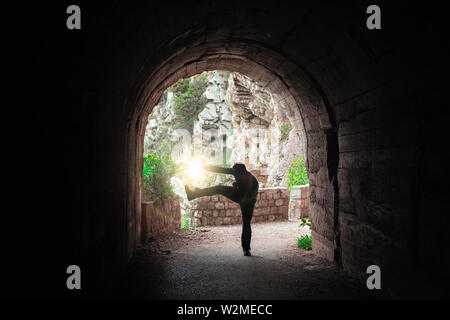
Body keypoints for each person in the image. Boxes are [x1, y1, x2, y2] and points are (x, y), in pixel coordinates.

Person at [185, 163, 259, 256]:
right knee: (219, 188)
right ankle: (194, 194)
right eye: (233, 171)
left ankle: (246, 249)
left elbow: (251, 195)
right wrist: (204, 166)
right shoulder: (237, 171)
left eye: (234, 172)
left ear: (242, 172)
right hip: (241, 194)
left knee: (246, 223)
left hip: (248, 201)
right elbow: (220, 169)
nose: (233, 173)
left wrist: (235, 186)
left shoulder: (253, 181)